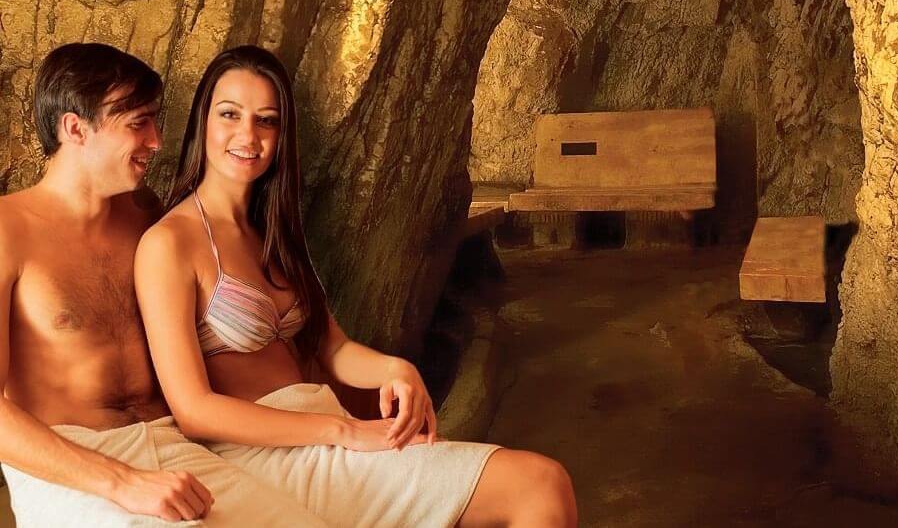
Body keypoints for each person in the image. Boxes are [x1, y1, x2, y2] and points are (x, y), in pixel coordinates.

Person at [135, 45, 577, 527]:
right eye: (230, 115)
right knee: (539, 484)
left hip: (322, 431)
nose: (248, 136)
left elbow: (333, 346)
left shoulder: (272, 232)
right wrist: (343, 430)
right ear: (203, 120)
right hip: (263, 455)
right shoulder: (169, 243)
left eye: (267, 121)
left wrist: (398, 369)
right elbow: (194, 410)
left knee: (536, 486)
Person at [0, 42, 326, 526]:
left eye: (155, 121)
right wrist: (122, 482)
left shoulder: (149, 217)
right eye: (138, 124)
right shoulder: (7, 230)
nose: (155, 141)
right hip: (74, 464)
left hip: (174, 447)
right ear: (74, 128)